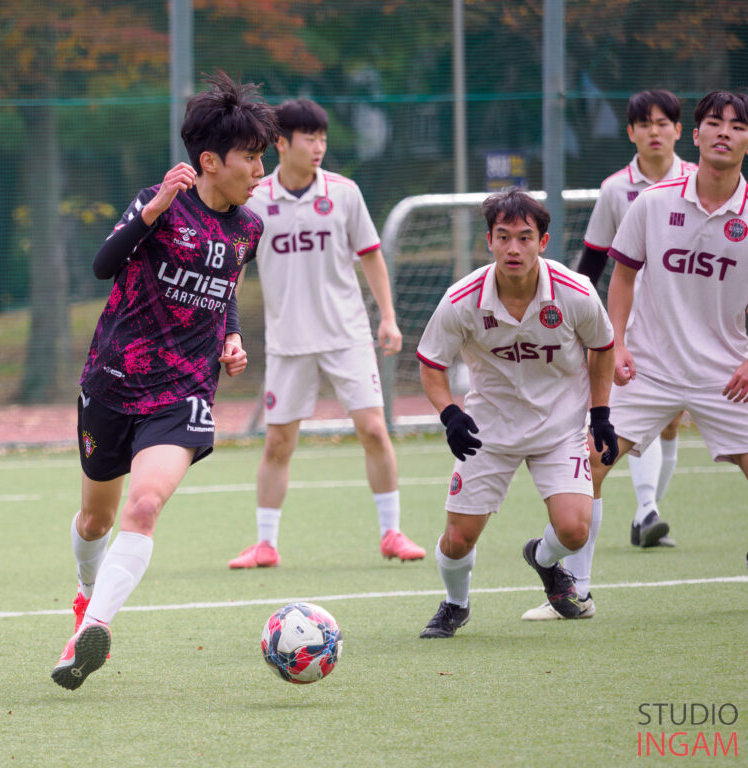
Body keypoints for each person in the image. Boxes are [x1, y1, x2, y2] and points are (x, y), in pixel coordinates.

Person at [51, 71, 278, 691]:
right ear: (209, 160)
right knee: (96, 521)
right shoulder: (163, 201)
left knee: (145, 504)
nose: (262, 170)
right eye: (251, 158)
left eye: (263, 156)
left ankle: (89, 633)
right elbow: (103, 266)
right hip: (114, 379)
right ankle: (85, 591)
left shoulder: (249, 228)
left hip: (184, 390)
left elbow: (225, 287)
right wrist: (150, 212)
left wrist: (230, 334)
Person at [227, 98, 425, 570]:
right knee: (278, 443)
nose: (318, 147)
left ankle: (392, 532)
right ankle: (266, 544)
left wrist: (388, 317)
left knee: (375, 430)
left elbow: (372, 254)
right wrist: (224, 328)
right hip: (287, 343)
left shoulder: (344, 192)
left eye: (323, 138)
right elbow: (231, 268)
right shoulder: (254, 200)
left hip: (347, 336)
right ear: (281, 142)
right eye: (308, 138)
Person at [415, 188, 617, 638]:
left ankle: (543, 560)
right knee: (458, 539)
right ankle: (455, 604)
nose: (513, 248)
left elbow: (603, 349)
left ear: (543, 242)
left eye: (524, 238)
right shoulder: (461, 299)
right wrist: (450, 414)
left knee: (574, 531)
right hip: (488, 432)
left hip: (560, 428)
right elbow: (431, 364)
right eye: (503, 237)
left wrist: (600, 414)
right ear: (488, 240)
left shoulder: (574, 292)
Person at [582, 90, 748, 573]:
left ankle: (648, 509)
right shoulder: (649, 202)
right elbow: (622, 274)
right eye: (715, 124)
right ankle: (570, 586)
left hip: (726, 372)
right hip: (651, 364)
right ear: (695, 135)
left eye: (737, 126)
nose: (725, 133)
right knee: (589, 463)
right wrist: (618, 341)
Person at [576, 89, 695, 552]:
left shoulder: (700, 180)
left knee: (668, 424)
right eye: (644, 124)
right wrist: (586, 327)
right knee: (628, 425)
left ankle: (647, 510)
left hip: (687, 327)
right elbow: (592, 265)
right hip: (631, 331)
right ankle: (647, 512)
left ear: (680, 131)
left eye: (664, 123)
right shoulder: (615, 190)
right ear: (630, 132)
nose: (654, 131)